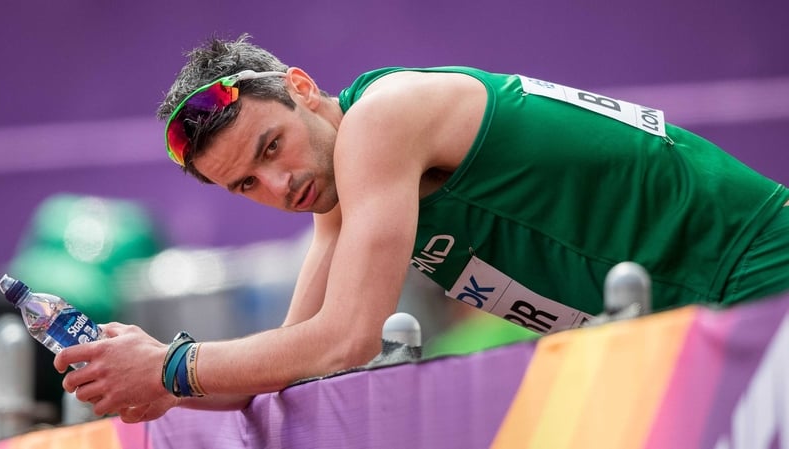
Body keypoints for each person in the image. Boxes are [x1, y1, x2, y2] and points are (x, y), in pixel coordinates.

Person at [54, 34, 789, 422]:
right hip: (689, 314)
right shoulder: (340, 191)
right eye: (247, 183)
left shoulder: (382, 120)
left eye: (272, 147)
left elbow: (346, 339)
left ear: (303, 89)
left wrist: (172, 366)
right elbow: (293, 359)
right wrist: (153, 378)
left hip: (755, 261)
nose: (279, 186)